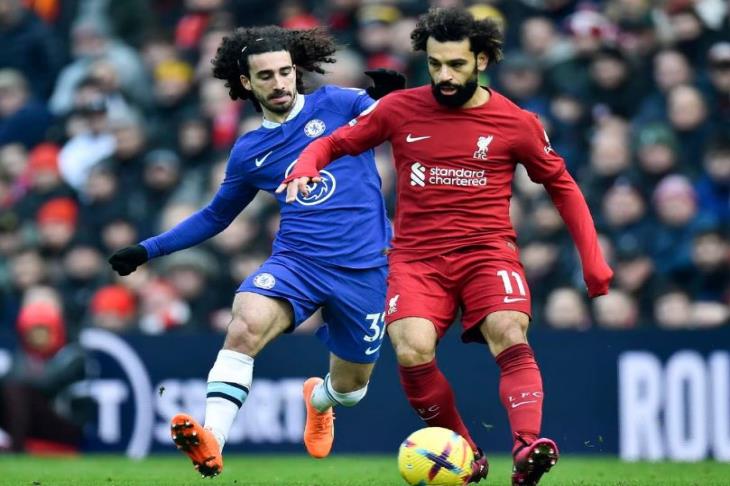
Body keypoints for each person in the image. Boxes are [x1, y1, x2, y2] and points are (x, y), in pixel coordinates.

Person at [279, 8, 613, 486]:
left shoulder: (516, 122)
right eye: (435, 64)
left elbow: (562, 186)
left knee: (508, 329)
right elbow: (334, 144)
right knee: (411, 349)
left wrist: (593, 261)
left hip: (487, 252)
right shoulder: (399, 109)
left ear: (482, 60)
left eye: (456, 64)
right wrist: (307, 163)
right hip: (416, 260)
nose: (444, 76)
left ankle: (526, 446)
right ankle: (466, 452)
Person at [108, 26, 405, 478]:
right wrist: (147, 250)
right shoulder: (249, 151)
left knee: (352, 389)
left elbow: (401, 121)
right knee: (245, 323)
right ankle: (213, 440)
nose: (279, 83)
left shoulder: (339, 103)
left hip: (365, 270)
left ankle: (319, 400)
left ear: (296, 71)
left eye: (285, 72)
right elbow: (215, 216)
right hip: (297, 263)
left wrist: (395, 99)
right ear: (247, 82)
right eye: (266, 76)